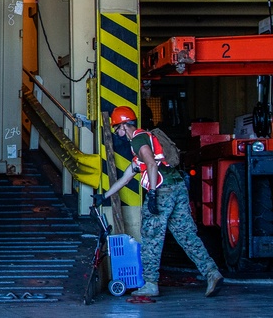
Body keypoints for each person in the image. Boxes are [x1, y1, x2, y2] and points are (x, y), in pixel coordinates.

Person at [95, 106, 224, 298]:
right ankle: (212, 272)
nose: (118, 133)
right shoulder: (145, 139)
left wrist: (153, 194)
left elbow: (151, 164)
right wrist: (103, 197)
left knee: (151, 236)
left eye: (117, 129)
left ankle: (150, 283)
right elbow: (126, 178)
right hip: (177, 187)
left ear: (124, 125)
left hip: (163, 191)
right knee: (186, 235)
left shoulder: (138, 140)